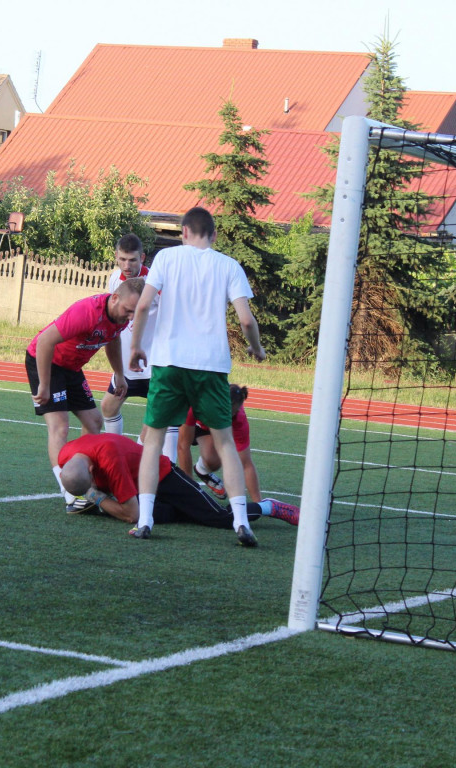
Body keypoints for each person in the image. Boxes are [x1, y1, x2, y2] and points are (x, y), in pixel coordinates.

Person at [128, 206, 266, 545]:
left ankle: (145, 520)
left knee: (153, 441)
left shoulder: (166, 259)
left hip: (169, 363)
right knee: (225, 443)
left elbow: (143, 306)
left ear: (184, 232)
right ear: (214, 235)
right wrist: (256, 348)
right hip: (211, 366)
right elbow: (247, 320)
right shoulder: (229, 266)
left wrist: (135, 347)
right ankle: (239, 522)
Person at [26, 277, 145, 511]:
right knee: (60, 426)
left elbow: (112, 339)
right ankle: (69, 491)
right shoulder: (87, 312)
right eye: (128, 311)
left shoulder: (119, 316)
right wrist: (44, 385)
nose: (131, 317)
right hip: (47, 362)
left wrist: (119, 374)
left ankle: (89, 480)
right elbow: (44, 342)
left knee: (94, 421)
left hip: (71, 367)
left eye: (135, 313)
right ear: (115, 298)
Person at [57, 432, 298, 530]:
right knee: (168, 515)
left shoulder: (109, 460)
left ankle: (269, 506)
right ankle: (189, 510)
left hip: (162, 476)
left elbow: (132, 515)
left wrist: (95, 496)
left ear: (91, 468)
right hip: (136, 482)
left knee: (219, 519)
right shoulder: (65, 455)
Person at [98, 234, 178, 461]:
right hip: (126, 366)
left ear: (142, 257)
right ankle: (117, 456)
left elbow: (172, 314)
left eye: (132, 260)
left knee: (159, 419)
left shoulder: (155, 280)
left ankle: (161, 468)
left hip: (154, 365)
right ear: (116, 257)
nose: (127, 265)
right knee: (108, 407)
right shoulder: (114, 279)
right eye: (122, 259)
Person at [178, 384, 299, 526]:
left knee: (213, 462)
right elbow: (182, 446)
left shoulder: (238, 420)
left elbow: (246, 464)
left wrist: (257, 503)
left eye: (231, 414)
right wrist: (190, 492)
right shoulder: (198, 403)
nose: (227, 416)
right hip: (196, 420)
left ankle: (266, 506)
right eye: (225, 411)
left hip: (211, 425)